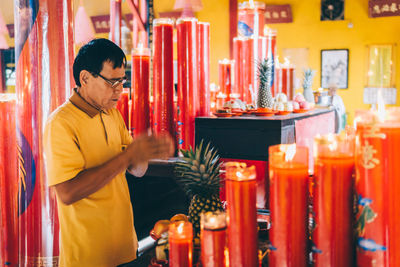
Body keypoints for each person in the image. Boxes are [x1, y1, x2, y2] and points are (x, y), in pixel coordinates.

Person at [44, 38, 174, 267]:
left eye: (122, 81)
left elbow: (136, 170)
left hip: (125, 248)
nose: (120, 91)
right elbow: (67, 192)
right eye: (112, 82)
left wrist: (146, 152)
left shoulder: (112, 114)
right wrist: (127, 156)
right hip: (88, 257)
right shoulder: (61, 123)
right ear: (85, 78)